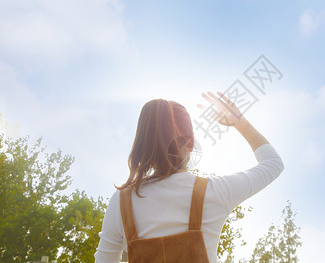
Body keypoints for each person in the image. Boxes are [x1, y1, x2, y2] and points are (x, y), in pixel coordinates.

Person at [94, 91, 284, 263]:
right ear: (190, 143)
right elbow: (273, 164)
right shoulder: (215, 192)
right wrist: (240, 123)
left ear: (143, 143)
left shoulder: (122, 201)